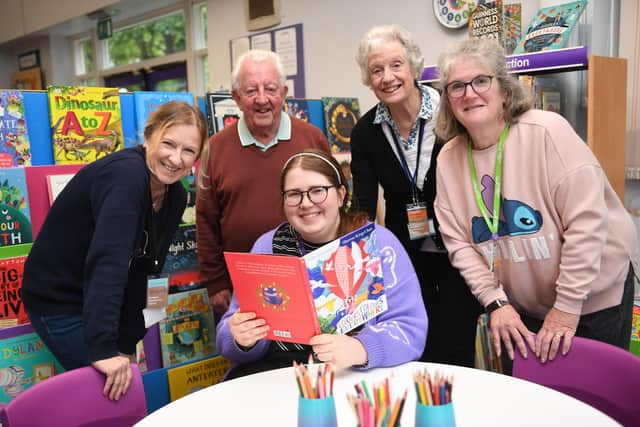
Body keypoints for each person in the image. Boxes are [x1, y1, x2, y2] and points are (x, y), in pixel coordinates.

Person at [433, 38, 638, 366]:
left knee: (594, 404)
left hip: (593, 301)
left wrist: (567, 307)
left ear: (504, 89)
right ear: (447, 100)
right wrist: (496, 303)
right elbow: (459, 244)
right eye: (456, 86)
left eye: (481, 80)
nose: (469, 93)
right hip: (526, 308)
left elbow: (586, 223)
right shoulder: (448, 159)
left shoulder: (546, 132)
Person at [22, 101, 207, 400]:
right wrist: (105, 348)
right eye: (168, 144)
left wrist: (127, 342)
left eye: (189, 151)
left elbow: (150, 269)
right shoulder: (125, 176)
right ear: (148, 138)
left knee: (124, 387)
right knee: (109, 395)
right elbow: (109, 262)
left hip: (102, 301)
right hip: (59, 300)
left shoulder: (176, 196)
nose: (176, 158)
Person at [216, 149, 427, 379]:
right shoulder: (267, 247)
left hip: (352, 376)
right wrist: (240, 337)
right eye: (294, 194)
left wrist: (363, 348)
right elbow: (229, 334)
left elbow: (410, 328)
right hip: (278, 376)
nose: (306, 203)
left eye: (318, 191)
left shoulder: (378, 244)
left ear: (340, 194)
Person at [350, 24, 482, 367]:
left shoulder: (451, 112)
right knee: (414, 338)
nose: (387, 77)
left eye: (396, 65)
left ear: (413, 67)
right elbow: (363, 203)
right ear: (368, 78)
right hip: (403, 250)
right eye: (376, 70)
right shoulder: (365, 132)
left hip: (459, 242)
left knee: (456, 335)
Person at [196, 49, 329, 316]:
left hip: (312, 279)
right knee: (249, 353)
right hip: (242, 287)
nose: (261, 99)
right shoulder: (216, 148)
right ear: (236, 98)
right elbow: (206, 219)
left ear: (284, 92)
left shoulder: (312, 140)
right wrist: (215, 283)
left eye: (270, 89)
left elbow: (335, 205)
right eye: (250, 91)